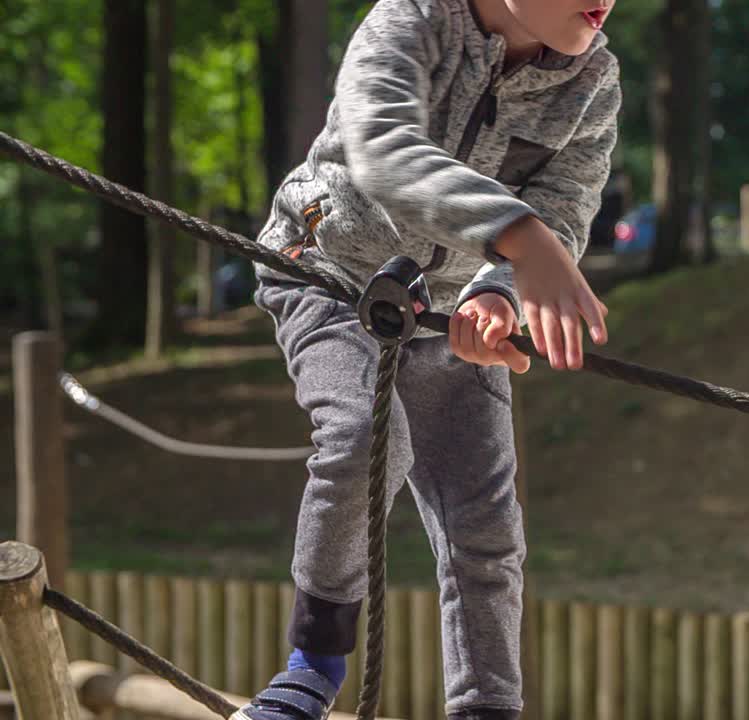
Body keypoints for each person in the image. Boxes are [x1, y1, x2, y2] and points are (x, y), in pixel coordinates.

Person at [234, 0, 620, 717]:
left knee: (486, 524)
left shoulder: (592, 81)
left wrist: (500, 293)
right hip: (328, 272)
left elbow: (565, 207)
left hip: (447, 310)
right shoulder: (410, 19)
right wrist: (520, 237)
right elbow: (383, 149)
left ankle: (487, 705)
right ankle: (311, 667)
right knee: (363, 441)